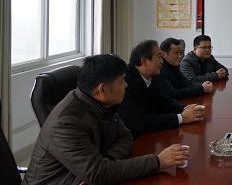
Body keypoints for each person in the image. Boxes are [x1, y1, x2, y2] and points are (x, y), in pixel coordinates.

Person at [23, 54, 190, 185]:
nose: (126, 86)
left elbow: (126, 137)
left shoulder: (100, 102)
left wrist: (107, 160)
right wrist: (158, 162)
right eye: (122, 81)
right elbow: (98, 173)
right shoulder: (66, 123)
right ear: (102, 89)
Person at [117, 39, 205, 138]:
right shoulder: (126, 83)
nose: (162, 61)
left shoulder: (148, 76)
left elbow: (161, 100)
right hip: (134, 140)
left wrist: (185, 108)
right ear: (144, 61)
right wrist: (181, 118)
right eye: (159, 57)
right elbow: (141, 122)